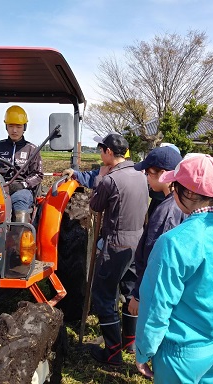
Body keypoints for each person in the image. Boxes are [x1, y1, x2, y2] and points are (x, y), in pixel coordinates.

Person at [135, 153, 213, 384]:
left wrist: (144, 350)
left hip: (180, 353)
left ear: (186, 191)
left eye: (175, 185)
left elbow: (156, 304)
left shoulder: (173, 242)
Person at [84, 133, 149, 366]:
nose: (100, 155)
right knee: (131, 290)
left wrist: (99, 179)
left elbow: (95, 205)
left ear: (109, 152)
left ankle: (112, 353)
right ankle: (129, 341)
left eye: (101, 151)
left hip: (117, 242)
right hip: (138, 241)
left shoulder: (111, 180)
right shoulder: (141, 175)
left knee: (102, 294)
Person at [127, 146, 187, 374]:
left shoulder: (167, 211)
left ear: (163, 174)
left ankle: (156, 365)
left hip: (156, 289)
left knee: (160, 332)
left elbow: (156, 259)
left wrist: (138, 295)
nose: (145, 177)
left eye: (148, 173)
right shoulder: (172, 202)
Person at [0, 105, 43, 222]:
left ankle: (20, 236)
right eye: (11, 126)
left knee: (19, 201)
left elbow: (38, 175)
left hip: (21, 189)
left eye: (18, 126)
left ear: (24, 127)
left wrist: (22, 185)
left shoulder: (31, 149)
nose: (14, 130)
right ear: (6, 127)